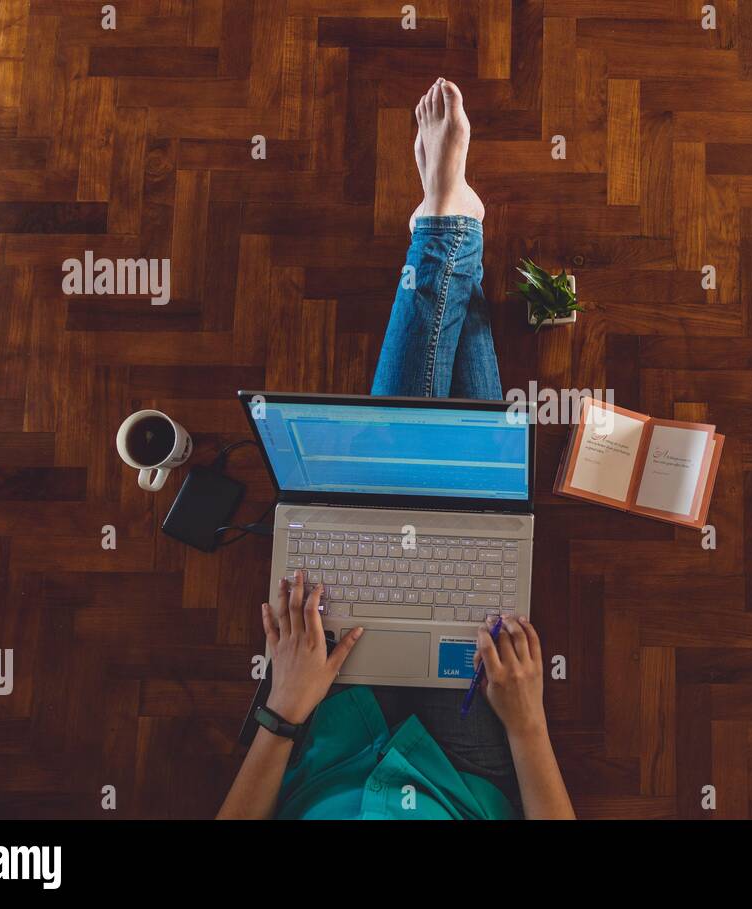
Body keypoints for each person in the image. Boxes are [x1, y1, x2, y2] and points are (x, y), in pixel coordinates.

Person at [217, 79, 575, 821]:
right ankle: (446, 230)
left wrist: (283, 706)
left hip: (326, 737)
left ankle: (448, 229)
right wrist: (528, 720)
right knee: (473, 499)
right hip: (462, 768)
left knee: (377, 497)